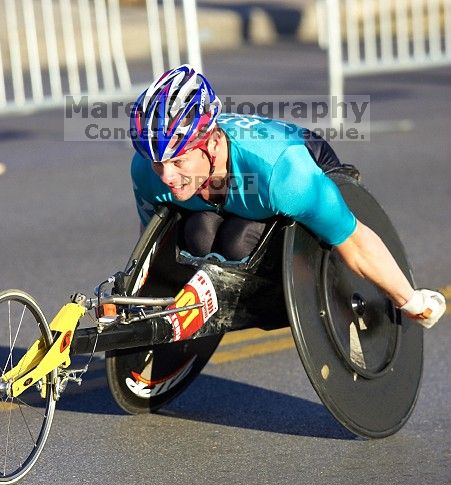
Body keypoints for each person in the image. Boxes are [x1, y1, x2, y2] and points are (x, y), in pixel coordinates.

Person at [130, 64, 445, 329]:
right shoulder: (147, 172)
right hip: (240, 196)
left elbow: (355, 243)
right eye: (158, 163)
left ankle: (275, 295)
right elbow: (153, 246)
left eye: (179, 161)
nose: (167, 176)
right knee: (198, 236)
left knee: (238, 240)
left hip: (300, 163)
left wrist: (412, 301)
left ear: (211, 144)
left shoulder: (283, 175)